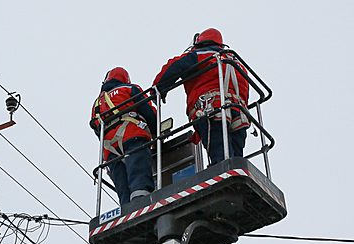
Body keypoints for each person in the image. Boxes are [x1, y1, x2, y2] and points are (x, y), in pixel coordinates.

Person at [153, 28, 250, 165]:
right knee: (235, 154)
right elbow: (245, 90)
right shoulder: (236, 63)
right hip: (239, 114)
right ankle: (236, 172)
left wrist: (158, 89)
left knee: (219, 151)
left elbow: (174, 67)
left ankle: (222, 171)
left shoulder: (199, 55)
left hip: (211, 110)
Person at [90, 67, 157, 205]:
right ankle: (141, 203)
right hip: (132, 137)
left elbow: (97, 129)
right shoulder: (129, 89)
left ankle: (126, 211)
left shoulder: (96, 104)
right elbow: (149, 112)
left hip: (109, 149)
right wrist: (156, 133)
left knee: (122, 184)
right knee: (138, 175)